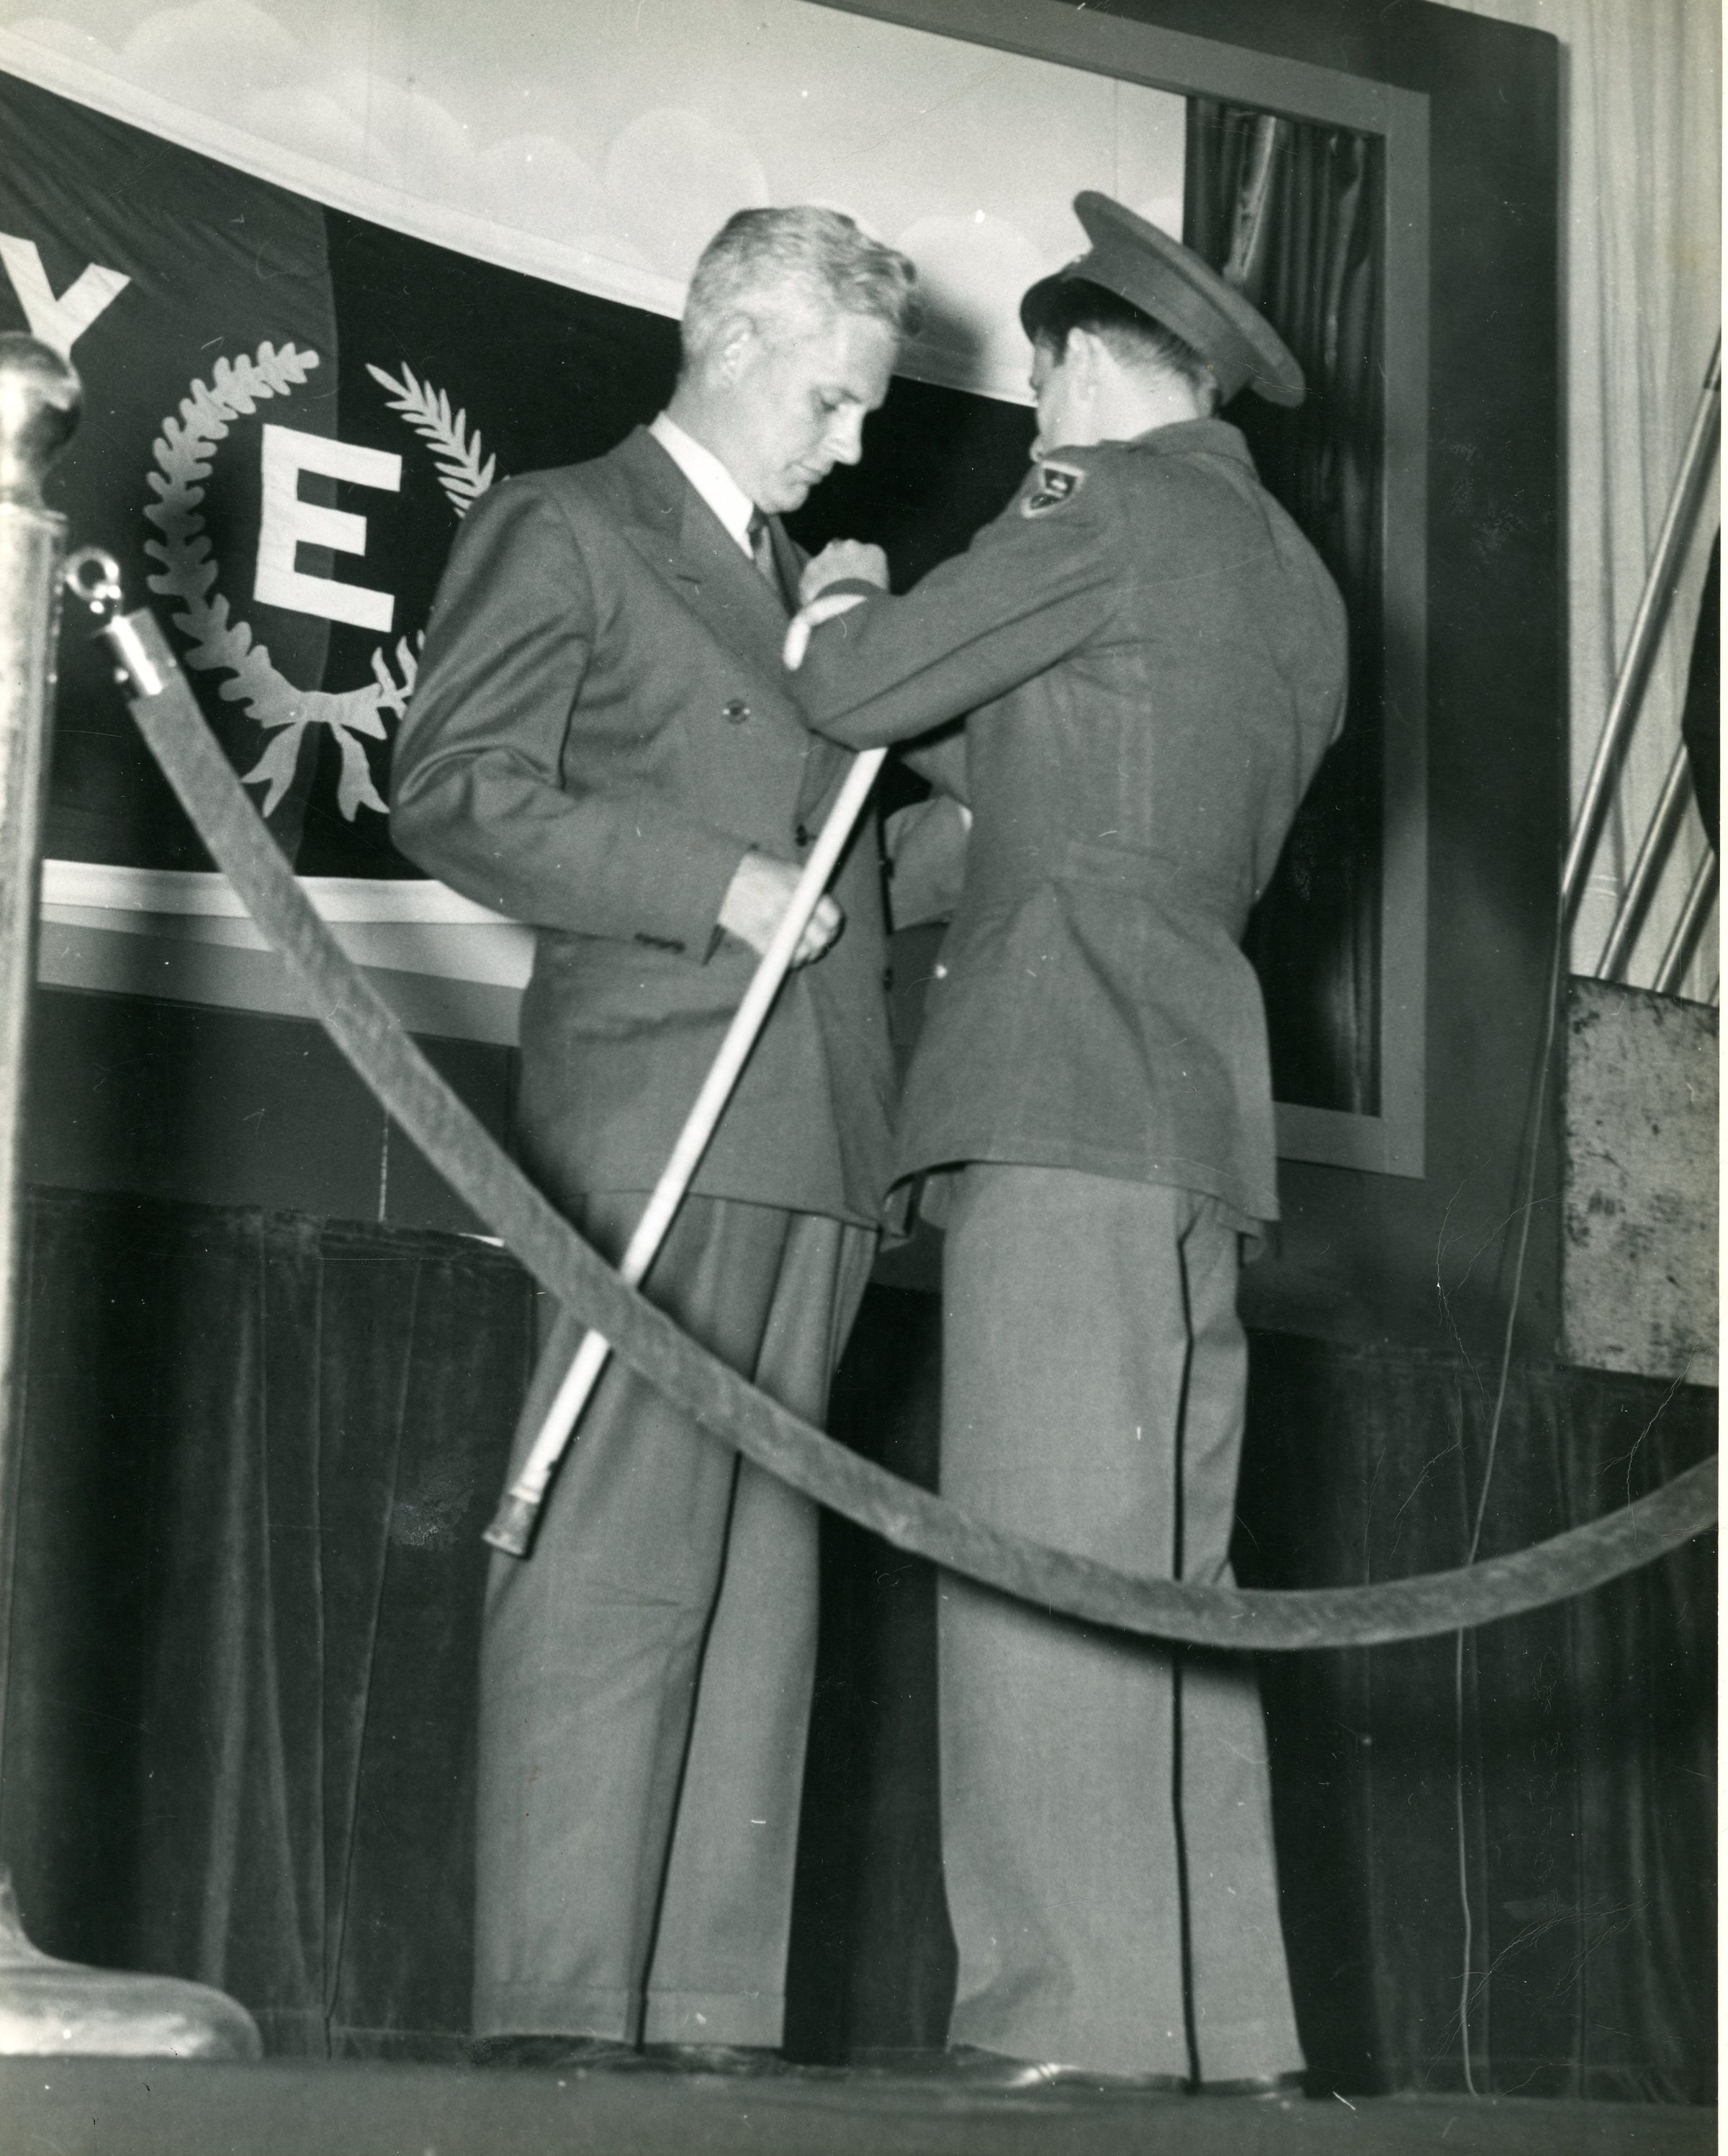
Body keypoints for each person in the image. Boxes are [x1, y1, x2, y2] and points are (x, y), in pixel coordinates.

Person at [786, 193, 1348, 2094]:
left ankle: (1059, 2028)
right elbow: (1075, 756)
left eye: (1041, 390)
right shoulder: (1291, 580)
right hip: (1197, 1110)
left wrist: (844, 604)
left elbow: (862, 692)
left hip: (1056, 1082)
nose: (1036, 423)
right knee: (1172, 1591)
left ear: (1090, 365)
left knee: (1038, 1565)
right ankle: (1222, 2035)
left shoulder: (1096, 503)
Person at [390, 207, 919, 2075]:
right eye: (834, 398)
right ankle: (558, 2024)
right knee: (614, 1562)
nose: (851, 442)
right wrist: (714, 880)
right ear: (736, 338)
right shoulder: (571, 526)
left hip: (816, 1128)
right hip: (658, 1111)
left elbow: (856, 865)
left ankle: (707, 2028)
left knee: (761, 1598)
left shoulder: (808, 595)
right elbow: (452, 787)